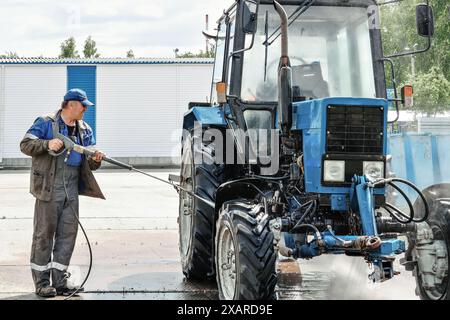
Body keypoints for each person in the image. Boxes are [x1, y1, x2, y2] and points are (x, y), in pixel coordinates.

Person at [20, 88, 105, 298]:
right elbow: (25, 144)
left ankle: (60, 282)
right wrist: (46, 143)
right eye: (83, 105)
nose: (85, 109)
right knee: (44, 236)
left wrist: (96, 160)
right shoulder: (45, 122)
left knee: (68, 236)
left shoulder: (85, 129)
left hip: (72, 188)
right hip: (49, 187)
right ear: (70, 104)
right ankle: (41, 283)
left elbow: (89, 165)